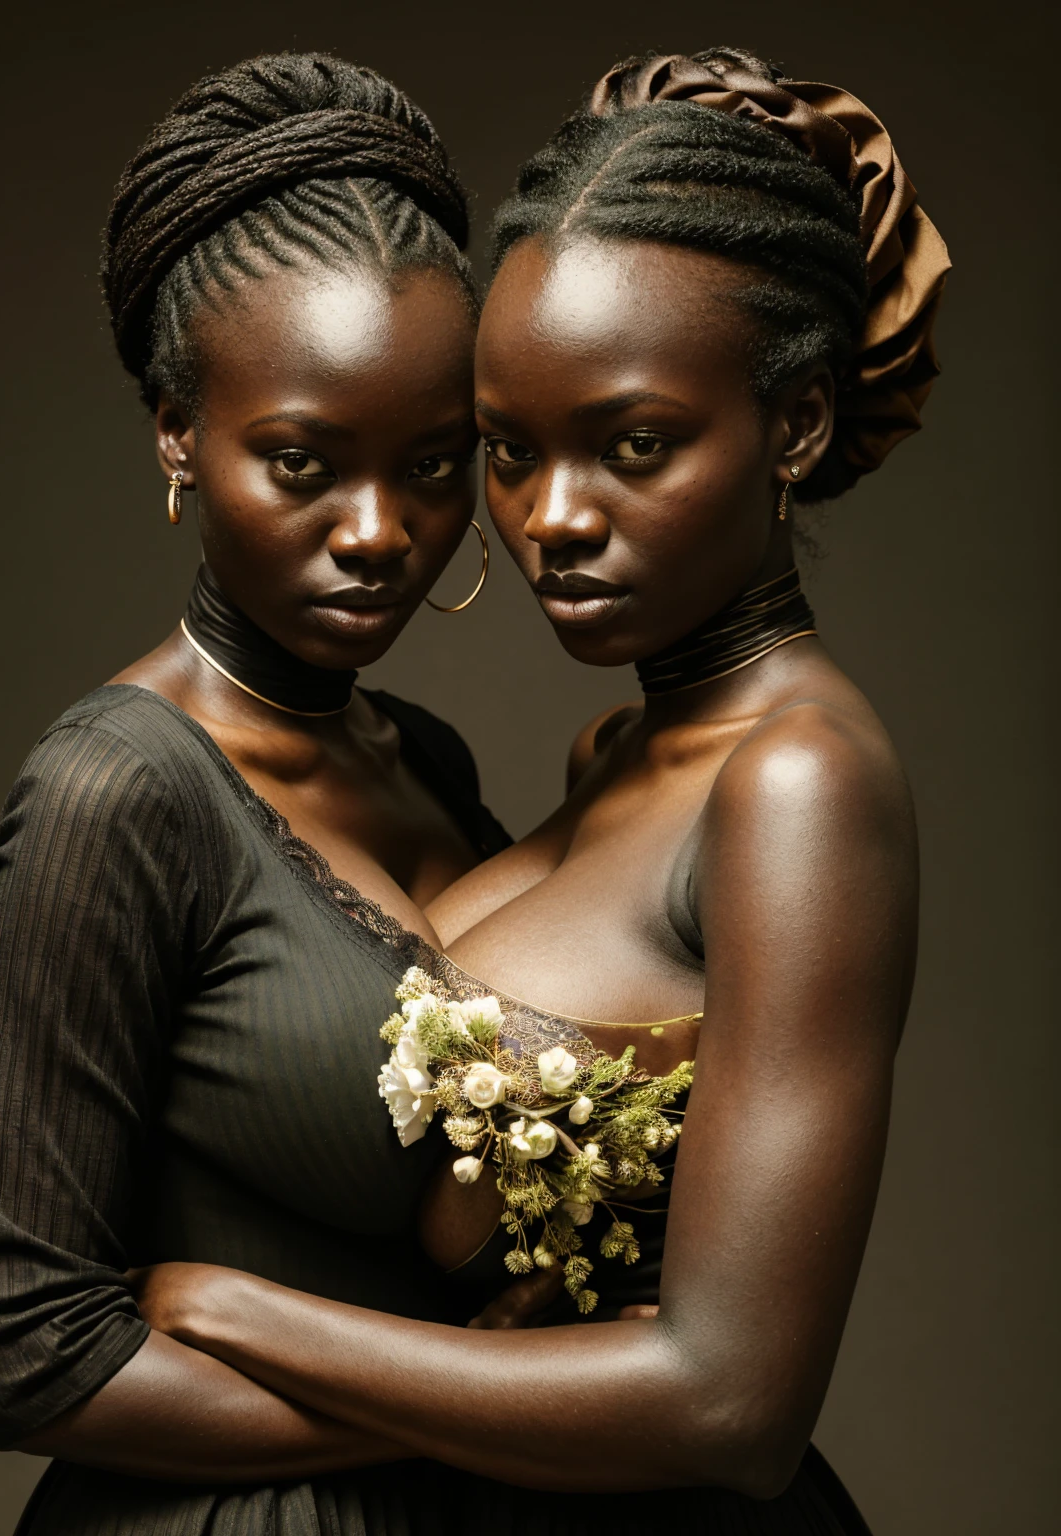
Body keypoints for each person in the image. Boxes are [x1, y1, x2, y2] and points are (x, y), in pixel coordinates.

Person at [126, 47, 950, 1535]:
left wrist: (239, 1311)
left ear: (800, 425)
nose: (553, 518)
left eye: (634, 445)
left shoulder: (799, 783)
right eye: (511, 450)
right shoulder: (617, 756)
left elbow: (732, 1405)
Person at [0, 50, 514, 1534]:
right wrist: (489, 1413)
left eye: (435, 464)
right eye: (302, 462)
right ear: (179, 437)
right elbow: (22, 1357)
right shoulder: (113, 795)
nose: (380, 532)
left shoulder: (425, 760)